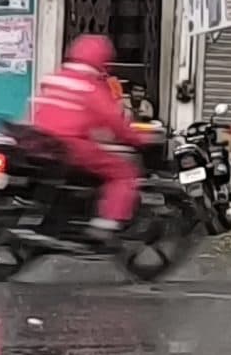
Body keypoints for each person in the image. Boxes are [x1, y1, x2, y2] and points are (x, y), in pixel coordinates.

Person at [27, 35, 144, 239]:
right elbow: (114, 120)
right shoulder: (91, 86)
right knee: (124, 172)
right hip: (71, 145)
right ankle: (107, 222)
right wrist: (138, 139)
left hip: (40, 140)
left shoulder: (54, 78)